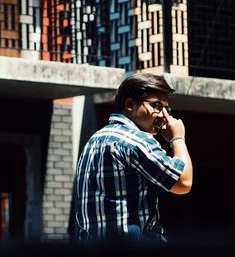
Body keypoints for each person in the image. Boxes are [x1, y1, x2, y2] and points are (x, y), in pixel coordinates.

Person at [74, 72, 193, 243]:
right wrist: (178, 138)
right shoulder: (135, 140)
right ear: (130, 104)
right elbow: (183, 183)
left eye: (166, 109)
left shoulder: (93, 141)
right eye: (157, 106)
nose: (163, 116)